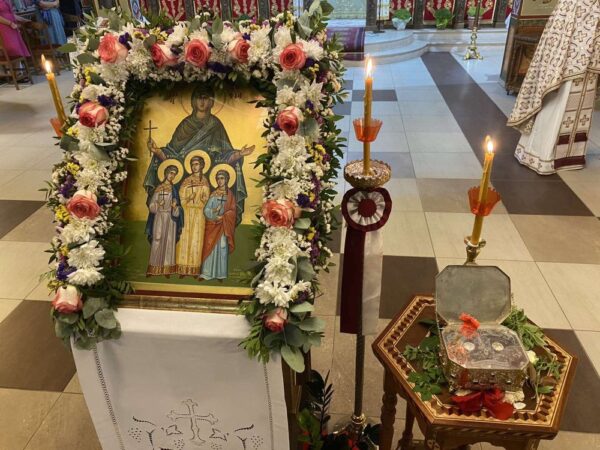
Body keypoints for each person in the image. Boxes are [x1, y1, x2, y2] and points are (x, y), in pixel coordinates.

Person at [507, 0, 600, 175]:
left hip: (586, 49)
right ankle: (542, 155)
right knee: (559, 99)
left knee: (576, 104)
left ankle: (569, 156)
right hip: (574, 51)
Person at [145, 85, 255, 226]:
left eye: (206, 98)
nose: (202, 102)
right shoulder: (185, 125)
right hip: (184, 180)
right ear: (193, 101)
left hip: (209, 179)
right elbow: (172, 155)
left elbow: (225, 155)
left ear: (211, 101)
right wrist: (158, 152)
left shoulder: (215, 125)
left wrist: (239, 154)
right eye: (199, 98)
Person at [146, 161, 184, 277]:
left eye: (174, 174)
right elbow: (151, 206)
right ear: (166, 173)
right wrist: (158, 204)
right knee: (157, 241)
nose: (172, 176)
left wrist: (175, 207)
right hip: (159, 217)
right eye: (171, 173)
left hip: (170, 219)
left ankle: (167, 269)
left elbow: (178, 208)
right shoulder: (158, 188)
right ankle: (153, 268)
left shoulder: (174, 190)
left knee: (169, 243)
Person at [176, 152, 211, 277]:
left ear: (201, 165)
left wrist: (203, 200)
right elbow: (180, 198)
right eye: (192, 164)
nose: (194, 167)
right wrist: (188, 198)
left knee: (196, 240)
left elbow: (207, 200)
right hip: (186, 212)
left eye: (196, 164)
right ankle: (182, 268)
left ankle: (194, 269)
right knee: (184, 239)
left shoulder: (205, 181)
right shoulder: (186, 181)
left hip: (199, 214)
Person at [200, 166, 236, 281]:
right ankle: (206, 274)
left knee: (222, 248)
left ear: (226, 179)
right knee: (210, 247)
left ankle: (220, 275)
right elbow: (206, 210)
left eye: (222, 178)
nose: (220, 181)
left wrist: (224, 217)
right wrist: (215, 211)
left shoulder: (230, 195)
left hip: (224, 226)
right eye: (218, 178)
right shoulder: (214, 194)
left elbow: (233, 211)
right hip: (213, 225)